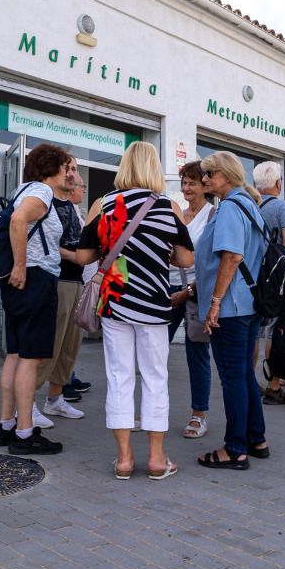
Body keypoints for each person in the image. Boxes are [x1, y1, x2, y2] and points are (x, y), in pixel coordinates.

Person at [75, 142, 193, 479]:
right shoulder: (169, 206)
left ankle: (124, 459)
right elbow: (186, 259)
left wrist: (108, 248)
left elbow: (83, 257)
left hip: (116, 302)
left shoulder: (103, 204)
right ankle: (156, 459)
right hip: (154, 304)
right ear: (154, 168)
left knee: (119, 376)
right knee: (155, 377)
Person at [0, 143, 82, 455]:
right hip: (35, 280)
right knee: (30, 358)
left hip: (19, 282)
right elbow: (19, 221)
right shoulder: (42, 192)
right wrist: (20, 265)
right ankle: (25, 433)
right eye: (65, 167)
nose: (68, 173)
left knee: (15, 355)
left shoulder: (22, 189)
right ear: (51, 168)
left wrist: (18, 267)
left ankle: (6, 426)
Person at [194, 152, 267, 470]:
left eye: (210, 174)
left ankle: (235, 449)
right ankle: (256, 438)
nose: (205, 179)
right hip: (246, 304)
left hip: (231, 307)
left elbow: (232, 257)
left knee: (233, 378)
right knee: (243, 374)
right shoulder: (248, 204)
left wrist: (214, 303)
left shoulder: (230, 208)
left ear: (226, 175)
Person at [167, 162, 215, 437]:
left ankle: (199, 414)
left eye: (192, 183)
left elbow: (210, 261)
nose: (186, 188)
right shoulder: (177, 213)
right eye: (184, 183)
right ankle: (153, 409)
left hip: (196, 291)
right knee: (154, 351)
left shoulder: (212, 215)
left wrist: (187, 292)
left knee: (197, 354)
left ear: (204, 186)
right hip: (169, 287)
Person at [40, 167, 89, 422]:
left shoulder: (71, 208)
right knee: (50, 346)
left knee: (69, 347)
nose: (73, 176)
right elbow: (43, 243)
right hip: (58, 281)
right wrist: (75, 256)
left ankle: (55, 399)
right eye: (69, 170)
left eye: (74, 172)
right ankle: (24, 407)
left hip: (76, 280)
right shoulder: (46, 204)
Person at [253, 162, 285, 405]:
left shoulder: (249, 204)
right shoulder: (282, 206)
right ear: (278, 183)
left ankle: (249, 383)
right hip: (275, 279)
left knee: (253, 332)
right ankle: (273, 385)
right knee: (275, 331)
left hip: (250, 275)